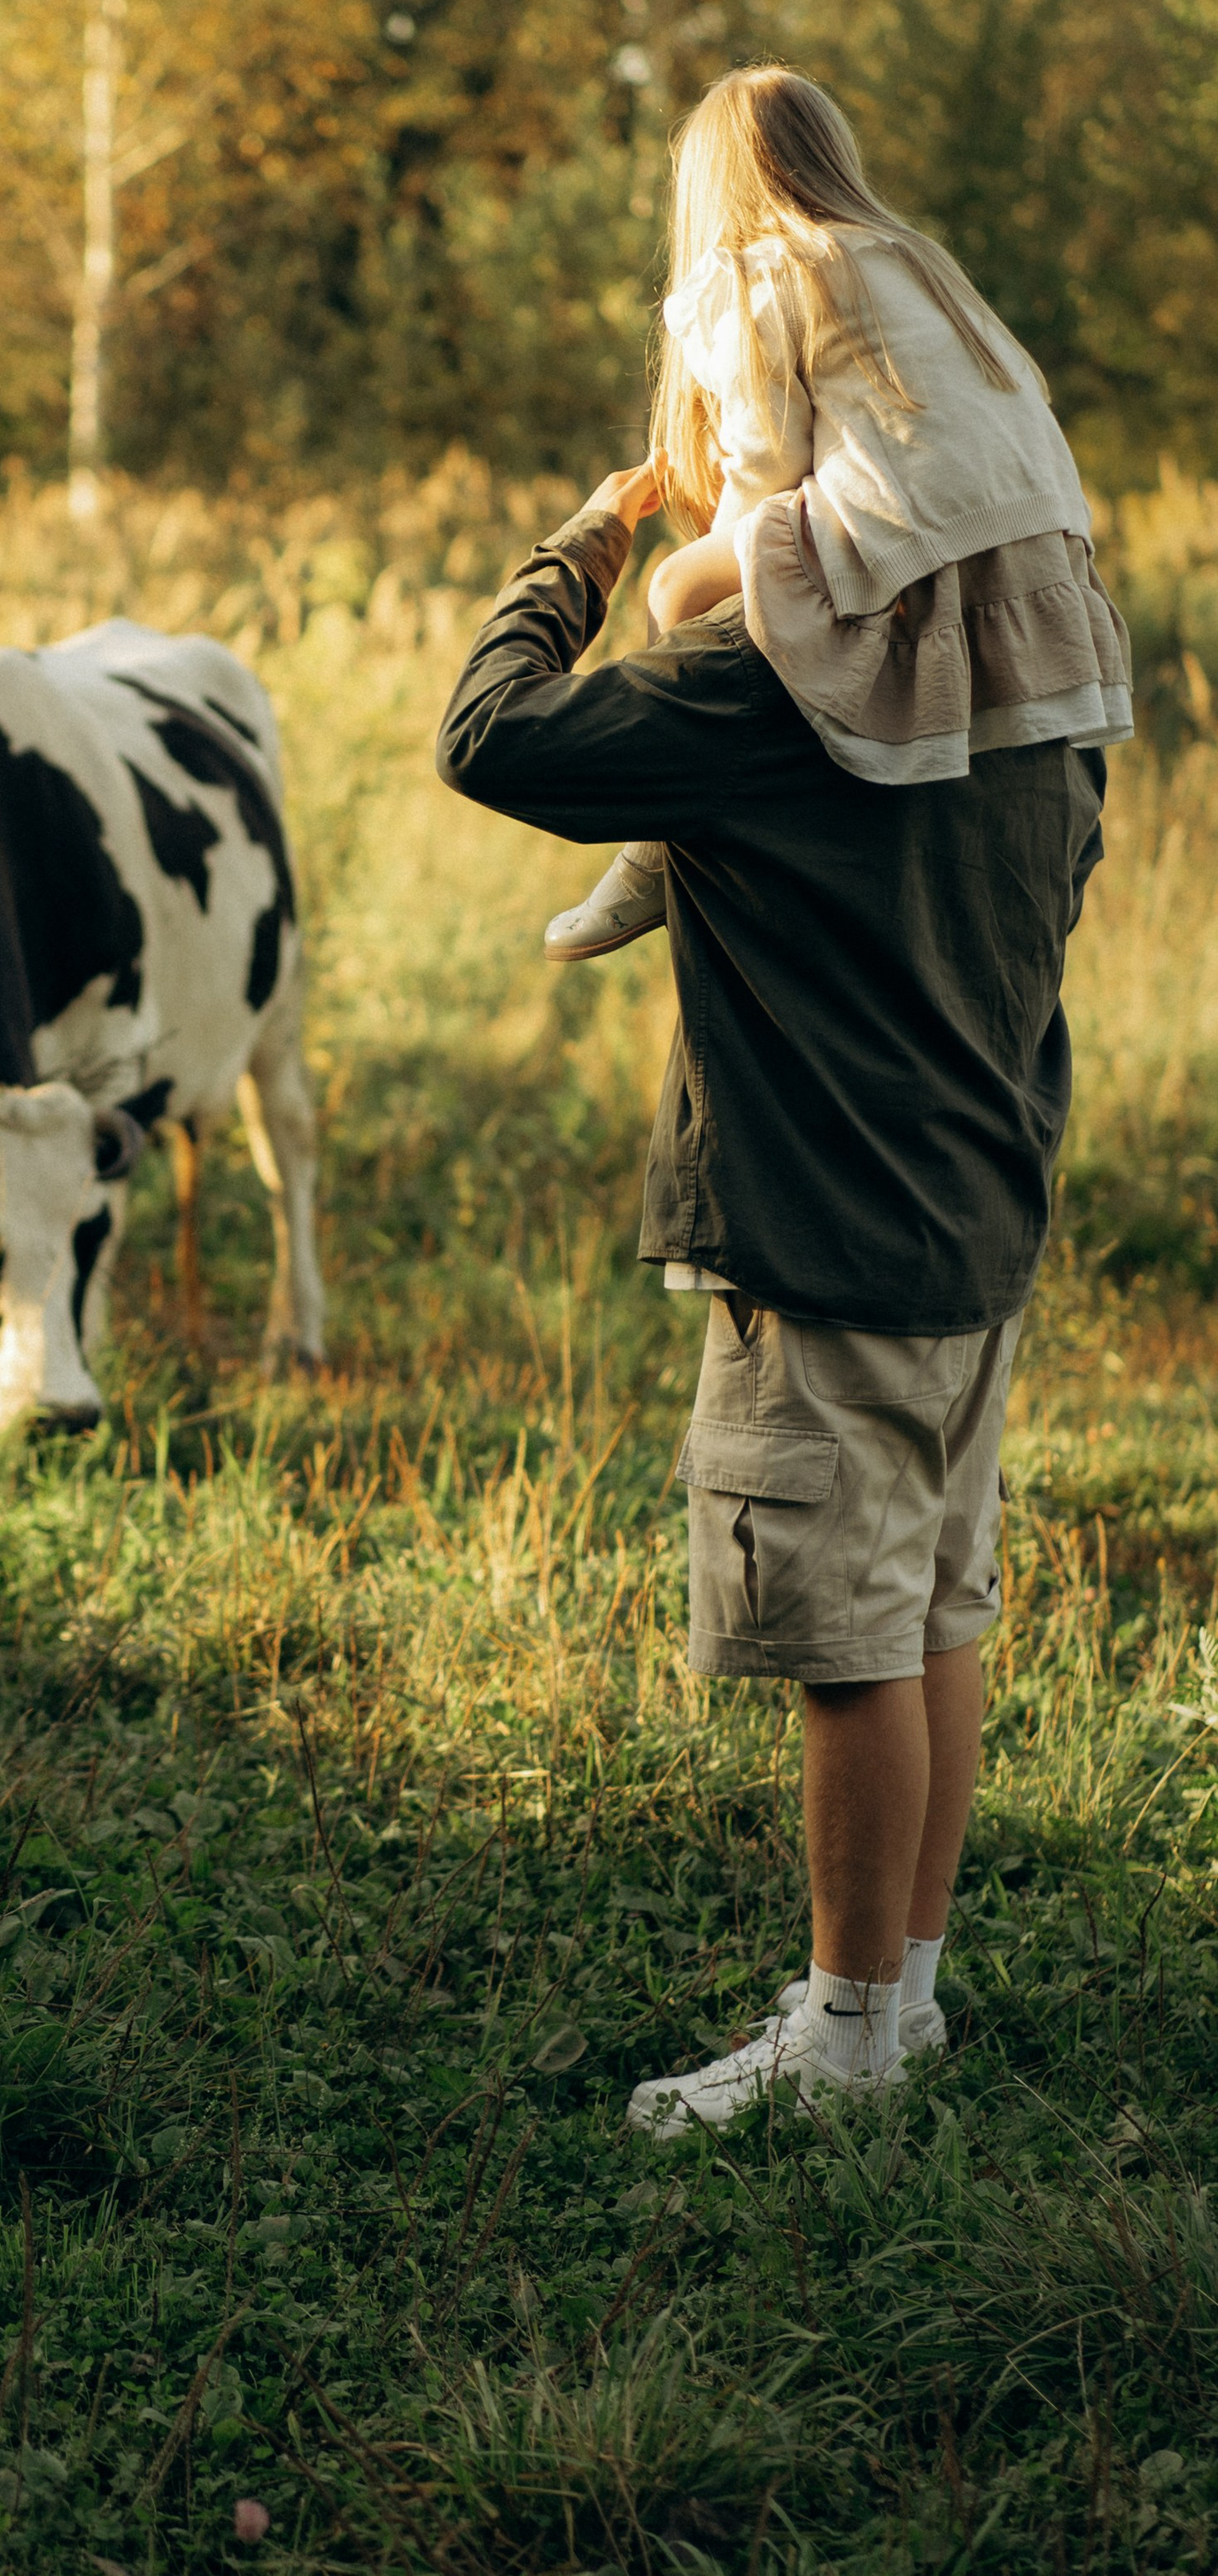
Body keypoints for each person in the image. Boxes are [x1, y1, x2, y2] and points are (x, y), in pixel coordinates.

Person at [434, 423, 1113, 2129]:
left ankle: (845, 2041)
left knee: (850, 1653)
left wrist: (586, 546)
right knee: (933, 1613)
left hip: (822, 1236)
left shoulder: (762, 691)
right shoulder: (1020, 671)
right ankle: (909, 1996)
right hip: (975, 1220)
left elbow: (487, 734)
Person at [542, 66, 1129, 961]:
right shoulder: (918, 260)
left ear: (713, 185)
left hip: (908, 532)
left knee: (679, 586)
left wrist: (727, 568)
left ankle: (660, 838)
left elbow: (765, 462)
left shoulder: (757, 275)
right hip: (1038, 545)